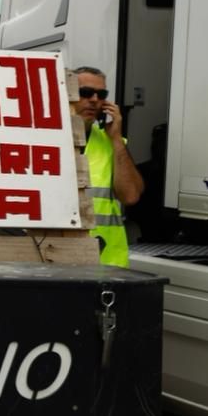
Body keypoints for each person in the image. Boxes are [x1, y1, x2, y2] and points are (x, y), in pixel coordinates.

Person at [74, 66, 143, 267]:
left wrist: (116, 139)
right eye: (85, 93)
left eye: (101, 94)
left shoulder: (112, 143)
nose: (94, 99)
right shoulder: (47, 141)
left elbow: (130, 196)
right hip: (58, 256)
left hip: (107, 263)